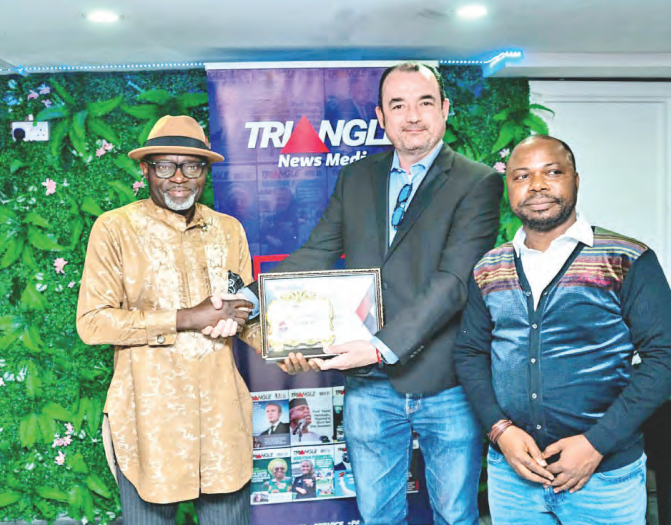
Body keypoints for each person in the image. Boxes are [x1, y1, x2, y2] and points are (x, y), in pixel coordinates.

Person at [234, 62, 503, 525]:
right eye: (398, 104)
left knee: (455, 514)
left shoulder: (477, 182)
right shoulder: (357, 177)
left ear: (445, 110)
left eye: (424, 102)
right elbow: (318, 251)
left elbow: (454, 282)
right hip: (370, 389)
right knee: (378, 515)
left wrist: (379, 347)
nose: (412, 116)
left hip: (447, 383)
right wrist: (254, 301)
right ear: (381, 116)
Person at [454, 135, 671, 525]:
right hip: (513, 478)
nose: (537, 186)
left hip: (603, 479)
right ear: (509, 189)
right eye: (522, 176)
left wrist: (597, 443)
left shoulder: (625, 258)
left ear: (576, 180)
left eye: (552, 172)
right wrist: (501, 432)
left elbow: (668, 355)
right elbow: (469, 353)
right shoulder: (488, 267)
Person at [76, 115, 260, 525]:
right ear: (146, 169)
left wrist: (293, 346)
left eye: (192, 166)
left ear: (205, 171)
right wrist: (184, 317)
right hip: (148, 421)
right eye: (165, 165)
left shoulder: (228, 230)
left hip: (221, 420)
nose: (179, 178)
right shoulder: (115, 229)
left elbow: (243, 314)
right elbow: (92, 322)